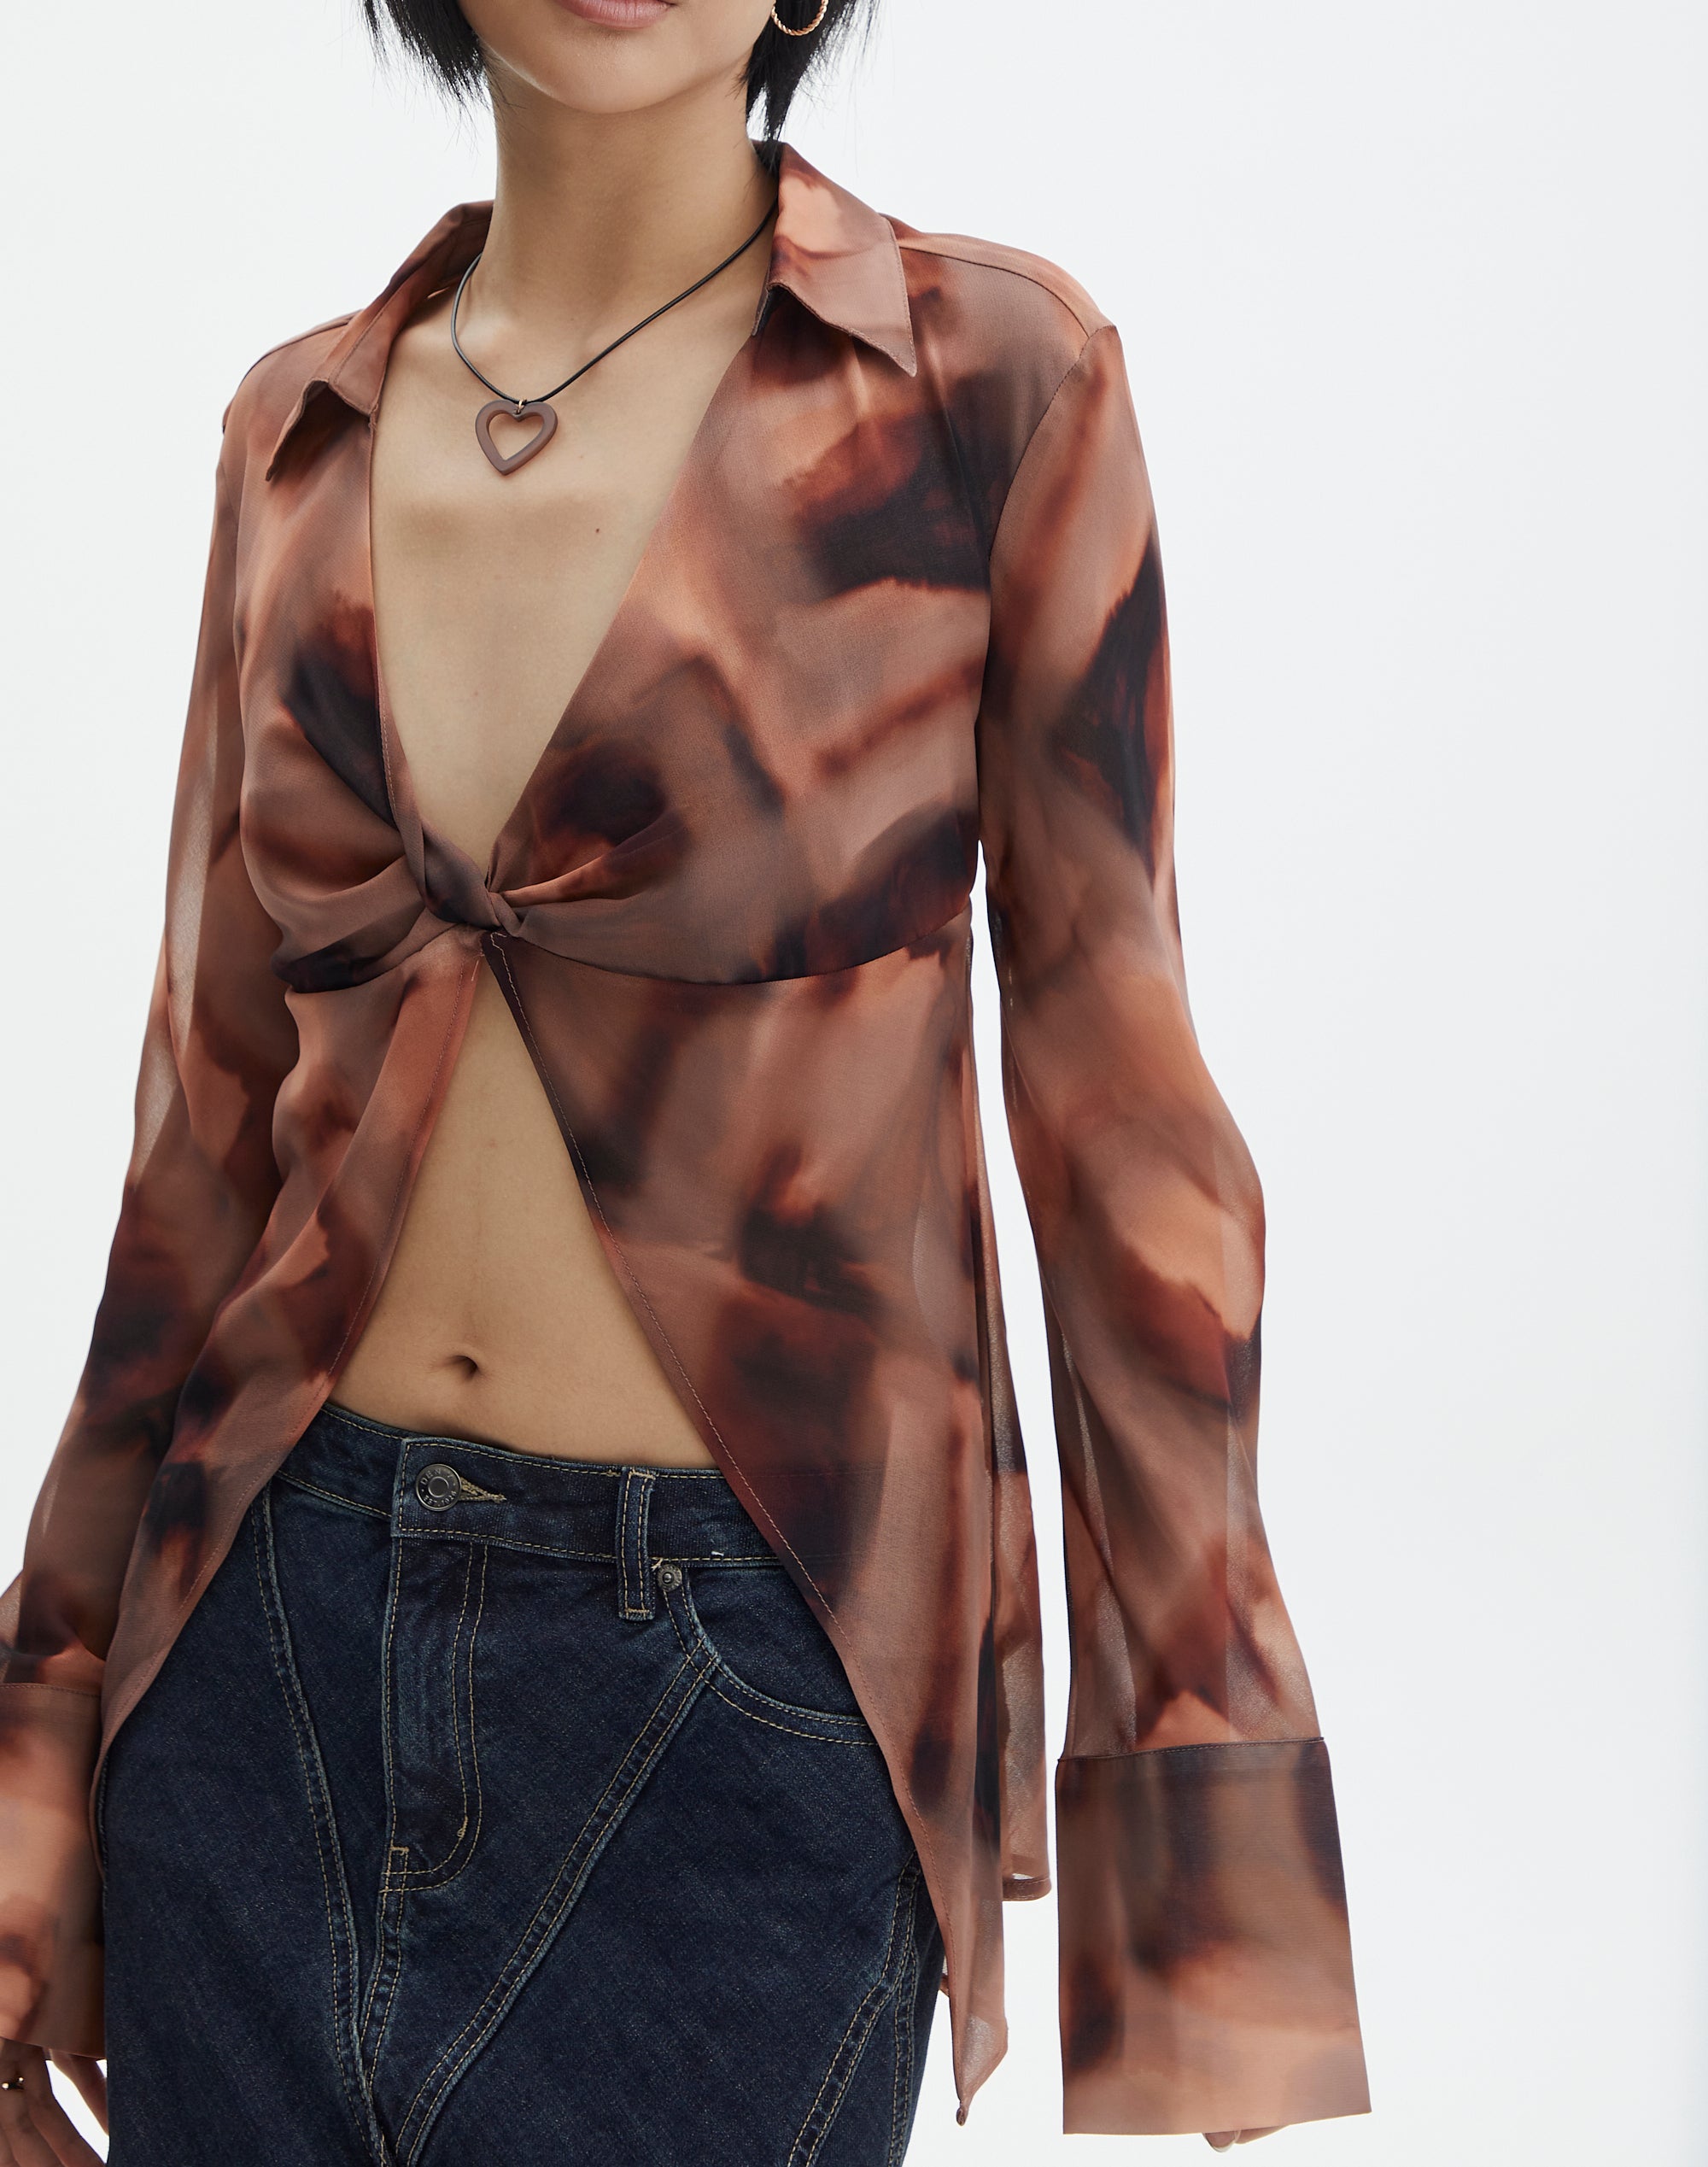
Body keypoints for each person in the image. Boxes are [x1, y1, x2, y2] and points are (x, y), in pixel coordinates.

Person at [0, 0, 1372, 2160]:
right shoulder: (298, 435)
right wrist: (32, 1773)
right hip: (259, 1652)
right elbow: (193, 1149)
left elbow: (1121, 1117)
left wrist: (1207, 1841)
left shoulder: (986, 381)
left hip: (741, 1689)